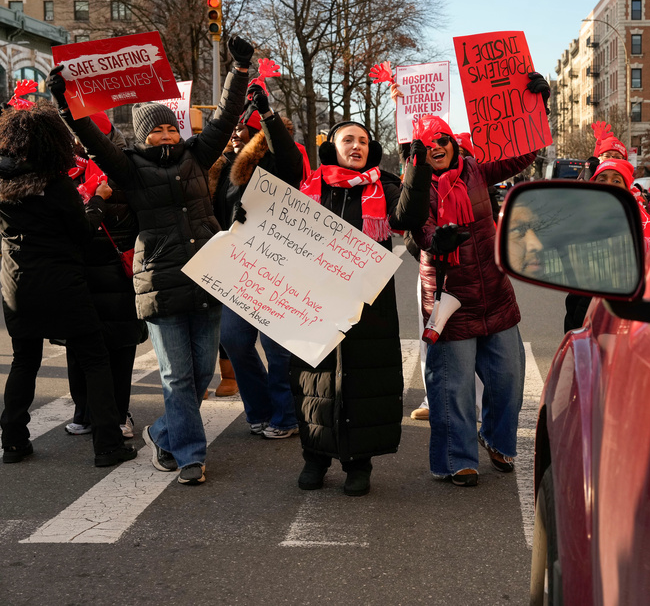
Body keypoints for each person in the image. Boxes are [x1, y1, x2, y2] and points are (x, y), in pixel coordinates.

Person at [47, 35, 254, 485]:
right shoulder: (129, 167)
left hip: (206, 278)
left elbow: (224, 119)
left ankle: (163, 432)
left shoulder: (197, 157)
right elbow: (92, 139)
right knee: (177, 376)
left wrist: (239, 70)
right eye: (155, 130)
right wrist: (66, 104)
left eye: (168, 128)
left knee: (201, 373)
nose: (164, 135)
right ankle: (190, 457)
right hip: (160, 282)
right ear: (142, 136)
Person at [288, 119, 430, 495]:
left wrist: (416, 166)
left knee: (364, 380)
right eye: (347, 139)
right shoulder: (309, 186)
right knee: (314, 378)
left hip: (369, 304)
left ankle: (358, 463)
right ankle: (314, 457)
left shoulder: (384, 185)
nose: (356, 146)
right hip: (315, 301)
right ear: (331, 146)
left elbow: (408, 218)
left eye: (363, 141)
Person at [0, 104, 136, 466]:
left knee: (24, 360)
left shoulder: (3, 185)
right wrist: (99, 204)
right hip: (63, 284)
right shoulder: (57, 185)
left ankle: (13, 440)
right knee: (94, 358)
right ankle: (108, 444)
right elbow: (81, 232)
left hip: (16, 285)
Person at [411, 114, 538, 487]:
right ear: (419, 151)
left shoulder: (476, 170)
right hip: (450, 300)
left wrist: (534, 108)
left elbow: (522, 156)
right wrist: (435, 241)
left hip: (494, 293)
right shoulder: (416, 182)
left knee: (508, 379)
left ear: (454, 144)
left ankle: (496, 439)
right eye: (427, 144)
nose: (436, 148)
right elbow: (417, 224)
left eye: (442, 140)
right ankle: (458, 458)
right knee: (453, 385)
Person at [210, 84, 305, 439]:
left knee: (276, 346)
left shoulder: (275, 162)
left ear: (256, 133)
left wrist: (267, 114)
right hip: (234, 269)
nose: (234, 134)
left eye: (241, 128)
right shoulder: (219, 169)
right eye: (231, 128)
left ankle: (286, 414)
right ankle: (260, 408)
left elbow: (291, 159)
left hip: (275, 265)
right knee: (234, 340)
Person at [63, 118, 147, 440]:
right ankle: (83, 410)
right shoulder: (65, 172)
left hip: (119, 274)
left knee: (121, 348)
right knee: (79, 346)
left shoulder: (127, 172)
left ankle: (119, 411)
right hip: (80, 274)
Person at [565, 157, 650, 332]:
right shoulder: (579, 223)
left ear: (626, 190)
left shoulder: (646, 227)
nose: (608, 184)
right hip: (584, 319)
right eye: (602, 179)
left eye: (616, 180)